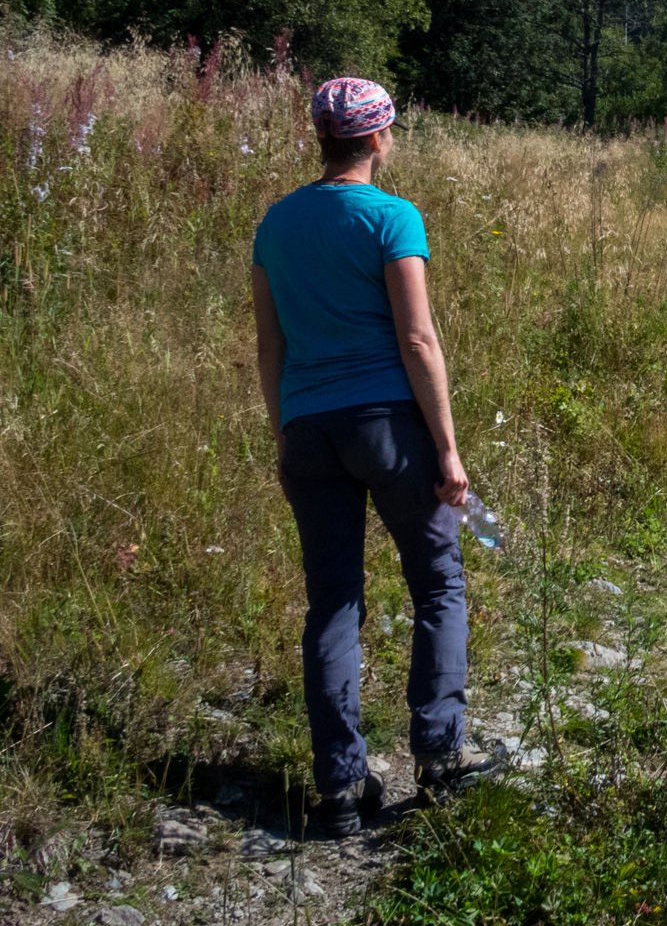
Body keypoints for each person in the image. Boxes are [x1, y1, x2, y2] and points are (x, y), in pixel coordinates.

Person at [251, 77, 496, 838]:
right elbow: (418, 339)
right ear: (380, 138)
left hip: (308, 427)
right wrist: (448, 449)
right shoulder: (392, 217)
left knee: (333, 601)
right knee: (437, 585)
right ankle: (439, 759)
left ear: (321, 138)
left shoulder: (276, 224)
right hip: (388, 425)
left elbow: (270, 342)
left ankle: (340, 790)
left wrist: (284, 432)